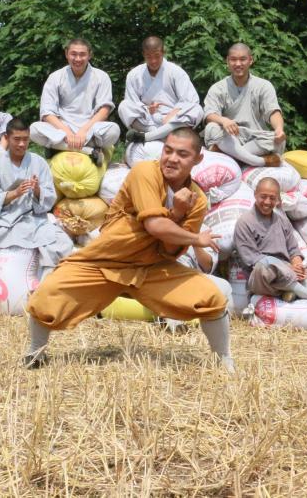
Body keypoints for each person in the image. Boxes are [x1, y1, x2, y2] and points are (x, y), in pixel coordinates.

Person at [24, 127, 234, 371]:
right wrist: (184, 222)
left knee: (212, 298)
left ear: (197, 159)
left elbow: (170, 247)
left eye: (182, 154)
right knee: (48, 293)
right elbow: (154, 225)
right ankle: (34, 354)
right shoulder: (145, 172)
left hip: (153, 268)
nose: (172, 158)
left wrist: (181, 219)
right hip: (105, 261)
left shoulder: (196, 199)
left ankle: (225, 361)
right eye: (168, 150)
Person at [0, 119, 73, 319]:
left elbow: (49, 199)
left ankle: (40, 295)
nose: (21, 144)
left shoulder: (38, 163)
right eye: (17, 139)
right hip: (3, 220)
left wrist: (38, 190)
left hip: (33, 219)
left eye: (25, 140)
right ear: (7, 138)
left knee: (62, 243)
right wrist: (14, 193)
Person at [234, 178, 307, 302]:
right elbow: (252, 260)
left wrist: (298, 265)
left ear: (278, 199)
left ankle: (292, 291)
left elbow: (293, 249)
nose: (267, 202)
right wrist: (288, 269)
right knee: (264, 265)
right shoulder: (244, 223)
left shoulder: (281, 219)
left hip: (289, 274)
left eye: (272, 198)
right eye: (263, 197)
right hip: (265, 279)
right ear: (255, 195)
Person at [29, 38, 120, 165]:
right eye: (73, 54)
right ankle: (89, 151)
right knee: (34, 129)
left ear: (90, 55)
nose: (77, 59)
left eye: (82, 54)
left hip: (90, 129)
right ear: (66, 54)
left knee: (114, 130)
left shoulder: (101, 76)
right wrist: (67, 132)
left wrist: (84, 131)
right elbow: (47, 113)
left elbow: (104, 110)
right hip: (63, 129)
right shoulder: (55, 77)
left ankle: (57, 147)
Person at [202, 43, 285, 167]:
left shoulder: (263, 85)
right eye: (233, 59)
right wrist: (223, 120)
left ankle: (231, 157)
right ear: (227, 61)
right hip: (230, 138)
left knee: (277, 140)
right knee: (211, 128)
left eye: (242, 59)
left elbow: (273, 111)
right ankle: (259, 161)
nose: (238, 64)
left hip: (255, 138)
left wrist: (279, 129)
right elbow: (209, 114)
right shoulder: (218, 88)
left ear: (250, 60)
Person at [120, 36, 203, 143]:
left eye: (157, 56)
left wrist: (174, 113)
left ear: (163, 52)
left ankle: (149, 137)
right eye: (149, 57)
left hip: (173, 120)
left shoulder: (176, 71)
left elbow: (190, 100)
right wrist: (147, 109)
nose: (153, 61)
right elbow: (133, 103)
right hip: (148, 121)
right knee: (124, 106)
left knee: (197, 109)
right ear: (143, 54)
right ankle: (158, 134)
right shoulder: (134, 74)